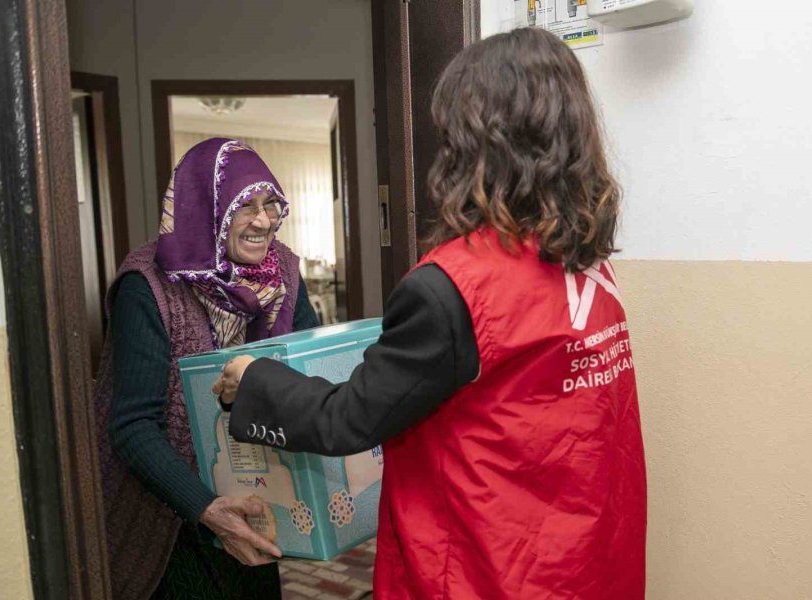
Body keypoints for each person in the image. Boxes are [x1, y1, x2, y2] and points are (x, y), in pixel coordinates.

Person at [214, 28, 647, 600]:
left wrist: (253, 379)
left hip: (487, 569)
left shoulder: (454, 287)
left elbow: (350, 418)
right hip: (583, 558)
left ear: (476, 141)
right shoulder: (584, 258)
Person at [94, 137, 320, 600]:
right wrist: (206, 508)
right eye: (245, 206)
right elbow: (133, 425)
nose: (263, 221)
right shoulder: (148, 288)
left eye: (270, 204)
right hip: (172, 511)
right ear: (207, 208)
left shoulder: (284, 274)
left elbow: (309, 372)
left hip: (256, 494)